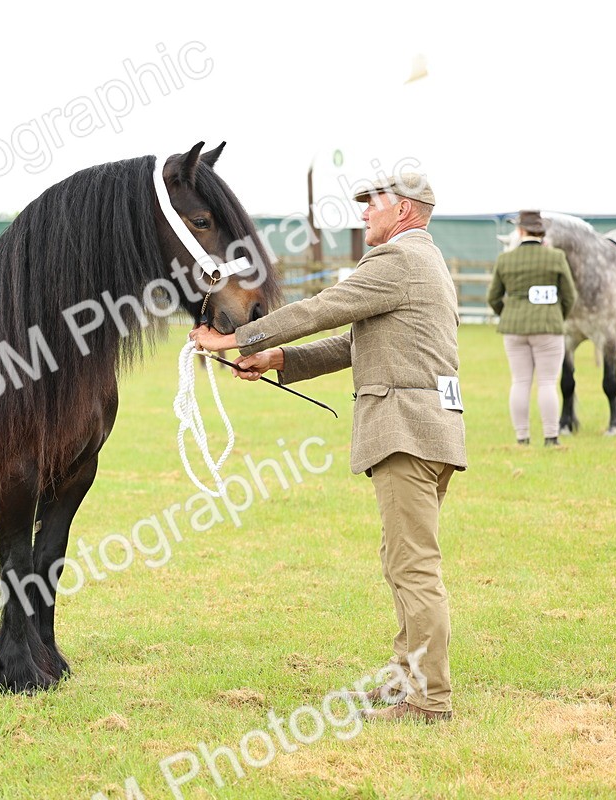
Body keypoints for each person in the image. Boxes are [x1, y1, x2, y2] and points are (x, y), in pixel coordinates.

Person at [191, 171, 466, 724]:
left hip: (405, 430)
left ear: (404, 210)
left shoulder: (396, 259)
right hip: (431, 429)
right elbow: (354, 343)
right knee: (402, 562)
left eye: (374, 203)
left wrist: (235, 337)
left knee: (413, 568)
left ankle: (429, 700)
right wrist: (278, 360)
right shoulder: (426, 260)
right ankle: (405, 677)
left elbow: (321, 309)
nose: (364, 212)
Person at [487, 210, 576, 446]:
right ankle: (551, 437)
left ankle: (522, 437)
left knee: (520, 382)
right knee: (547, 382)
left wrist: (507, 315)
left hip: (514, 329)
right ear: (542, 231)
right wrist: (557, 315)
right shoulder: (556, 257)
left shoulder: (505, 259)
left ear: (520, 230)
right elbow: (570, 296)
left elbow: (493, 297)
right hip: (548, 327)